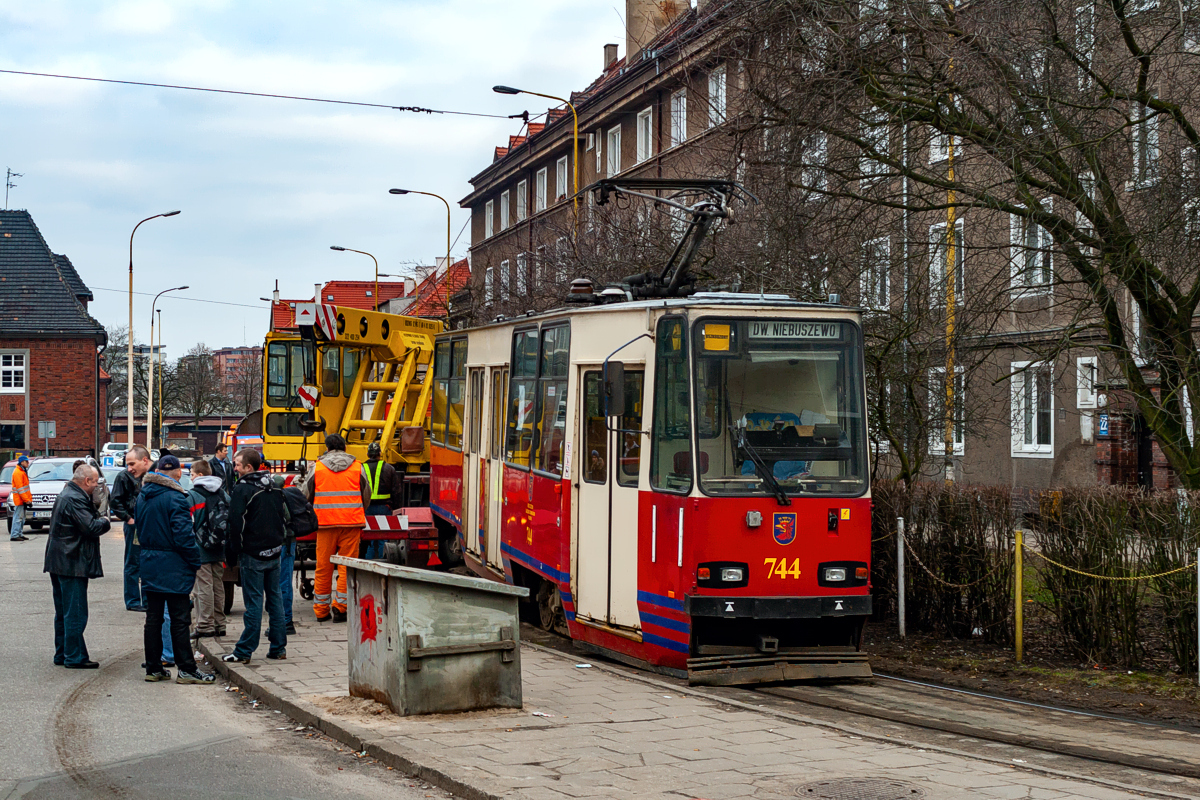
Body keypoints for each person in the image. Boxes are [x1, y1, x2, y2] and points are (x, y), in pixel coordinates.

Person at [136, 455, 214, 684]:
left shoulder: (143, 496)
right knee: (180, 619)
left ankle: (153, 668)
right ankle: (187, 669)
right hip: (174, 564)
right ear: (179, 473)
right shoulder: (177, 498)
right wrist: (194, 561)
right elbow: (183, 536)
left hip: (150, 562)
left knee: (153, 618)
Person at [223, 448, 288, 663]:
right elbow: (283, 517)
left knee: (254, 603)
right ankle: (278, 647)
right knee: (275, 599)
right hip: (274, 551)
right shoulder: (273, 486)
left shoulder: (243, 489)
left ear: (248, 467)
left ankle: (244, 651)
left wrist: (232, 552)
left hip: (253, 553)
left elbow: (235, 523)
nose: (234, 468)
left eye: (237, 464)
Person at [43, 463, 111, 668]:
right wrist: (106, 520)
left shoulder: (69, 494)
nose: (97, 486)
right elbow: (90, 527)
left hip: (61, 559)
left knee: (64, 610)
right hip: (71, 561)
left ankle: (63, 653)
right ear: (87, 481)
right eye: (95, 482)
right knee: (75, 611)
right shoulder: (74, 498)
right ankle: (74, 656)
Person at [301, 434, 369, 623]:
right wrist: (358, 511)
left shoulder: (317, 467)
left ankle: (321, 611)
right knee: (347, 566)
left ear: (327, 448)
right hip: (351, 523)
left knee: (323, 567)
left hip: (325, 524)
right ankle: (341, 608)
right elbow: (366, 494)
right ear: (345, 448)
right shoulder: (358, 467)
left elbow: (306, 494)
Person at [188, 459, 228, 639]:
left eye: (192, 474)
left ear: (200, 475)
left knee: (203, 586)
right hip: (219, 547)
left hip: (200, 548)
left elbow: (187, 523)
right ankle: (220, 624)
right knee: (218, 585)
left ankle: (205, 625)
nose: (191, 478)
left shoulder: (193, 495)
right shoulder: (222, 493)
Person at [110, 445, 152, 612]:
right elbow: (115, 501)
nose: (129, 468)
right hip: (134, 525)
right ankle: (133, 601)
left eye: (132, 464)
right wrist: (128, 519)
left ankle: (148, 600)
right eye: (127, 464)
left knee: (149, 562)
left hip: (150, 525)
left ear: (144, 460)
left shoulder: (154, 475)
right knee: (133, 562)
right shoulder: (123, 477)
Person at [361, 442, 398, 560]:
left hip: (367, 507)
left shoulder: (360, 468)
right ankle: (383, 562)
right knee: (383, 537)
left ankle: (368, 564)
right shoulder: (389, 468)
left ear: (367, 454)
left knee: (370, 538)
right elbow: (396, 491)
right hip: (384, 507)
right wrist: (395, 507)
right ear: (380, 454)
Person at [9, 454, 31, 542]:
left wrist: (28, 500)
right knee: (18, 518)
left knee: (21, 518)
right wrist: (27, 500)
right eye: (26, 462)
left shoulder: (22, 471)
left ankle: (19, 534)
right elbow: (20, 489)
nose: (28, 463)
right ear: (22, 462)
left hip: (22, 499)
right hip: (20, 499)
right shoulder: (18, 472)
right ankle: (15, 535)